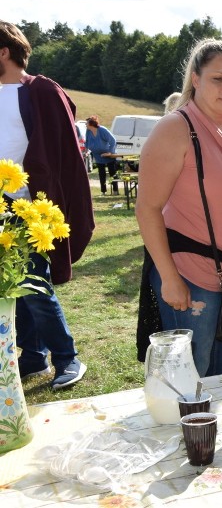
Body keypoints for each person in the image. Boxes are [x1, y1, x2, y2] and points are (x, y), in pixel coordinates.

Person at [135, 38, 222, 377]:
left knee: (221, 373)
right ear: (196, 79)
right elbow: (147, 208)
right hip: (189, 273)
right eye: (218, 78)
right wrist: (169, 278)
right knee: (191, 376)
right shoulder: (175, 128)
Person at [0, 20, 94, 389]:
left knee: (36, 287)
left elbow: (62, 154)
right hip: (2, 210)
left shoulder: (39, 90)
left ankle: (68, 359)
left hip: (32, 211)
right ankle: (34, 357)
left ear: (4, 52)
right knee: (13, 287)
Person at [84, 115, 119, 195]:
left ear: (91, 124)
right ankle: (103, 191)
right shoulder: (88, 131)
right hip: (98, 156)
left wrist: (110, 152)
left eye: (87, 123)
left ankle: (115, 191)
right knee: (101, 174)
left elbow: (113, 140)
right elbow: (87, 142)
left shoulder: (102, 130)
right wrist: (86, 151)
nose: (86, 124)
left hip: (108, 155)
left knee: (112, 173)